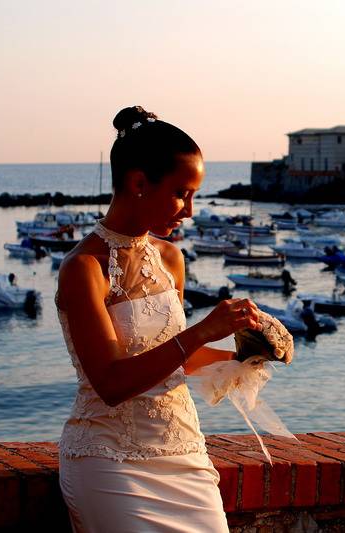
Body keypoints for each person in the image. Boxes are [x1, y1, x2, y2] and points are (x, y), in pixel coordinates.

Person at [56, 106, 260, 532]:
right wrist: (203, 329)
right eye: (182, 193)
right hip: (110, 462)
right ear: (138, 183)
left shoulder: (170, 259)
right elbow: (111, 384)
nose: (188, 210)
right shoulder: (84, 268)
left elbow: (174, 361)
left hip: (184, 455)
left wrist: (244, 355)